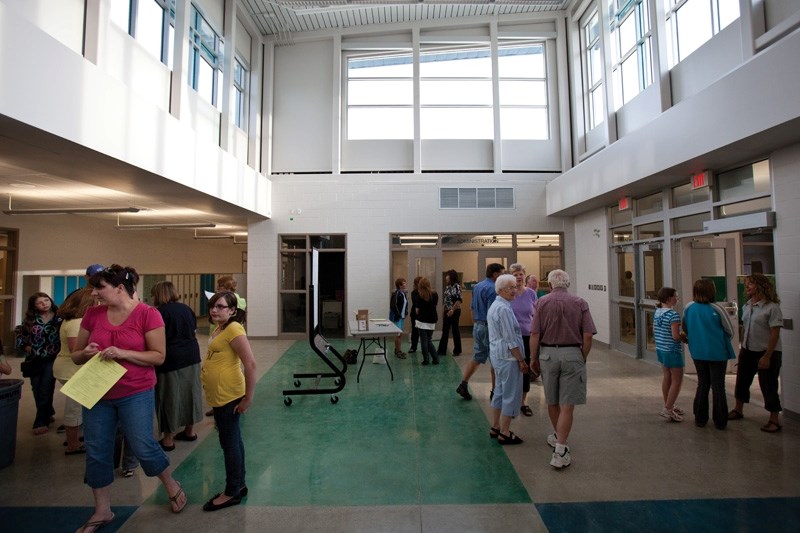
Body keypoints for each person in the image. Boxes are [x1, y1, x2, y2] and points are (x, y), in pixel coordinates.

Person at [71, 264, 186, 530]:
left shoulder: (148, 314)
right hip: (97, 392)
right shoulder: (93, 315)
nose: (95, 293)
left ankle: (171, 484)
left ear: (120, 288)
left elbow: (158, 356)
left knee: (143, 444)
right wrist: (85, 352)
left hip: (135, 391)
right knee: (98, 451)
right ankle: (102, 510)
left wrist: (123, 353)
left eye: (100, 288)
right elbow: (76, 356)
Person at [531, 270, 596, 469]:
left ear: (550, 285)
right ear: (567, 284)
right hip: (572, 354)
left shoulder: (541, 303)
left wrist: (533, 358)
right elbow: (588, 336)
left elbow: (535, 333)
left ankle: (560, 439)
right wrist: (582, 356)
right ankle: (560, 448)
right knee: (567, 405)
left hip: (548, 355)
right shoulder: (580, 303)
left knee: (552, 401)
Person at [201, 291, 256, 511]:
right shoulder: (220, 327)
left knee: (229, 443)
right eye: (213, 306)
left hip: (229, 395)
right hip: (220, 394)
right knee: (232, 440)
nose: (215, 310)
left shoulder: (234, 328)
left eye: (221, 307)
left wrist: (248, 399)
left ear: (233, 310)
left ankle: (232, 491)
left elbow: (250, 364)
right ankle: (239, 485)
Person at [727, 274, 784, 432]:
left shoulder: (772, 307)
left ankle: (774, 419)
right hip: (748, 350)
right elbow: (746, 328)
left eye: (750, 284)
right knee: (742, 381)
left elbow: (774, 333)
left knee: (768, 385)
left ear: (760, 286)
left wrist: (767, 356)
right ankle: (738, 409)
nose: (747, 287)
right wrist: (743, 348)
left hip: (766, 351)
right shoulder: (747, 306)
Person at [151, 281, 204, 450]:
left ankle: (168, 439)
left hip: (170, 360)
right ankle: (189, 431)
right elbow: (193, 331)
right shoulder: (186, 309)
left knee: (169, 397)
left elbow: (156, 338)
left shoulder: (158, 313)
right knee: (190, 393)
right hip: (192, 356)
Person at [682, 279, 736, 430]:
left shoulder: (689, 307)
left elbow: (685, 327)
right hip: (717, 353)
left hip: (698, 352)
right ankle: (720, 420)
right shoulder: (717, 309)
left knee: (702, 383)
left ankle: (700, 418)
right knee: (718, 386)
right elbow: (730, 331)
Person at [54, 288, 96, 454]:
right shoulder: (76, 323)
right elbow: (76, 350)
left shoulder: (71, 321)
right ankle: (73, 444)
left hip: (68, 368)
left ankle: (75, 439)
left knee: (77, 407)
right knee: (75, 409)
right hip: (72, 370)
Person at [488, 274, 528, 444]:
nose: (514, 290)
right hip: (508, 358)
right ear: (501, 290)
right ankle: (505, 431)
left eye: (514, 287)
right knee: (510, 394)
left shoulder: (498, 305)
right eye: (510, 288)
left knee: (499, 391)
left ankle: (496, 426)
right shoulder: (503, 309)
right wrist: (521, 360)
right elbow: (511, 339)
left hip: (498, 356)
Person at [456, 263, 505, 400]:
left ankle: (463, 384)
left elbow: (472, 308)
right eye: (502, 273)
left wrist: (475, 325)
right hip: (489, 327)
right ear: (495, 274)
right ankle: (495, 392)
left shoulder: (477, 287)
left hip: (478, 325)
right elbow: (493, 313)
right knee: (495, 359)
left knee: (477, 357)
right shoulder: (493, 289)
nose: (503, 276)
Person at [16, 292, 62, 435]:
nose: (44, 303)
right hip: (34, 359)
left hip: (52, 358)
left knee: (46, 388)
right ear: (34, 306)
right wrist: (27, 348)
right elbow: (20, 337)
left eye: (46, 300)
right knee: (36, 388)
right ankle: (48, 411)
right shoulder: (30, 320)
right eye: (40, 302)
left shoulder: (59, 318)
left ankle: (40, 421)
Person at [653, 287, 687, 423]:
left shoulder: (657, 312)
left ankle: (669, 404)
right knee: (677, 380)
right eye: (676, 296)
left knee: (667, 377)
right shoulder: (673, 315)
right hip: (672, 351)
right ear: (668, 299)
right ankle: (668, 408)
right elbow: (675, 336)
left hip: (661, 349)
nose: (677, 299)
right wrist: (684, 337)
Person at [509, 264, 537, 416]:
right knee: (512, 367)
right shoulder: (508, 294)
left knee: (525, 368)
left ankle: (523, 402)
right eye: (515, 274)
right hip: (512, 337)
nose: (518, 276)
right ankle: (511, 399)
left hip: (527, 336)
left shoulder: (531, 294)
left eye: (520, 274)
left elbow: (536, 314)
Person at [413, 277, 439, 365]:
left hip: (422, 320)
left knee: (424, 341)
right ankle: (435, 359)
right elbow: (434, 305)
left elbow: (417, 310)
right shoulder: (435, 295)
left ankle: (426, 360)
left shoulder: (419, 296)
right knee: (429, 340)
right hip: (432, 320)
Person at [437, 269, 463, 357]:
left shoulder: (457, 286)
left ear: (451, 276)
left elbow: (459, 300)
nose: (446, 277)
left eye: (447, 275)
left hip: (455, 311)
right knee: (445, 330)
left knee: (455, 330)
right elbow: (446, 299)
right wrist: (443, 309)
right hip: (447, 310)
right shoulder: (448, 287)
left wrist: (452, 310)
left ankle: (457, 350)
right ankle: (442, 350)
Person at [389, 278, 408, 359]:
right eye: (404, 283)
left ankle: (397, 349)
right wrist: (398, 314)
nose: (405, 284)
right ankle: (398, 351)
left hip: (401, 317)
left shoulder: (403, 293)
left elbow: (405, 304)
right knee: (398, 335)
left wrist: (405, 312)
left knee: (400, 334)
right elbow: (393, 305)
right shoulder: (396, 294)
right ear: (400, 285)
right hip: (397, 318)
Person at [408, 277, 421, 354]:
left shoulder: (426, 292)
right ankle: (413, 346)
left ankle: (426, 347)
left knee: (424, 331)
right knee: (415, 331)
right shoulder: (414, 292)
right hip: (415, 315)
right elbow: (416, 302)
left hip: (423, 314)